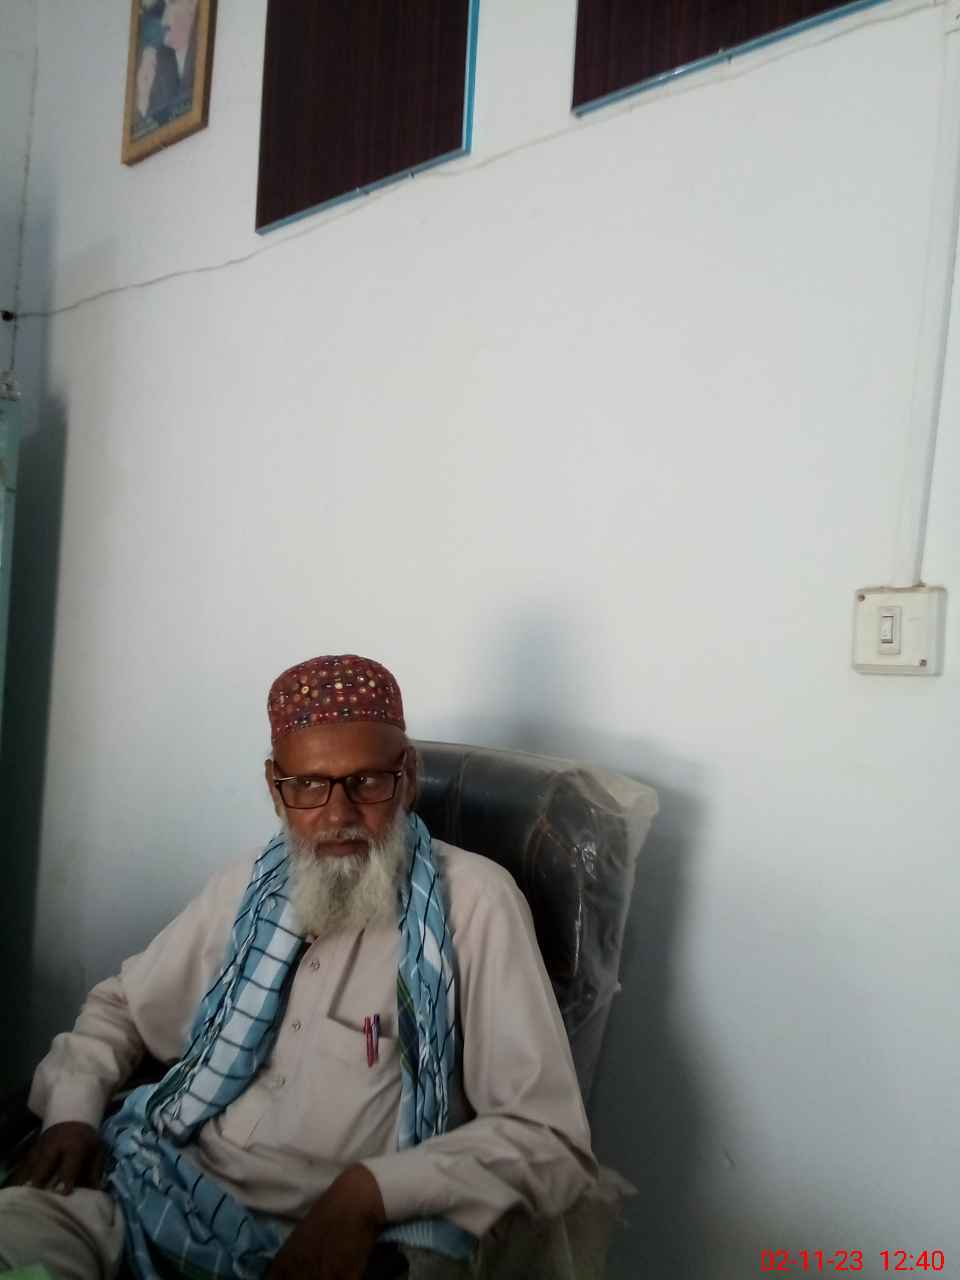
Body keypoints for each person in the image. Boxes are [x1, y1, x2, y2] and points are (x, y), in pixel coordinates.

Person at [0, 656, 600, 1279]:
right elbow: (123, 1005)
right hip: (153, 1182)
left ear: (408, 778)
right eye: (309, 786)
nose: (338, 815)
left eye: (367, 782)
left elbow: (547, 1137)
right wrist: (72, 1112)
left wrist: (368, 1193)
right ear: (275, 788)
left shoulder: (475, 904)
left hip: (323, 1242)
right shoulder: (252, 887)